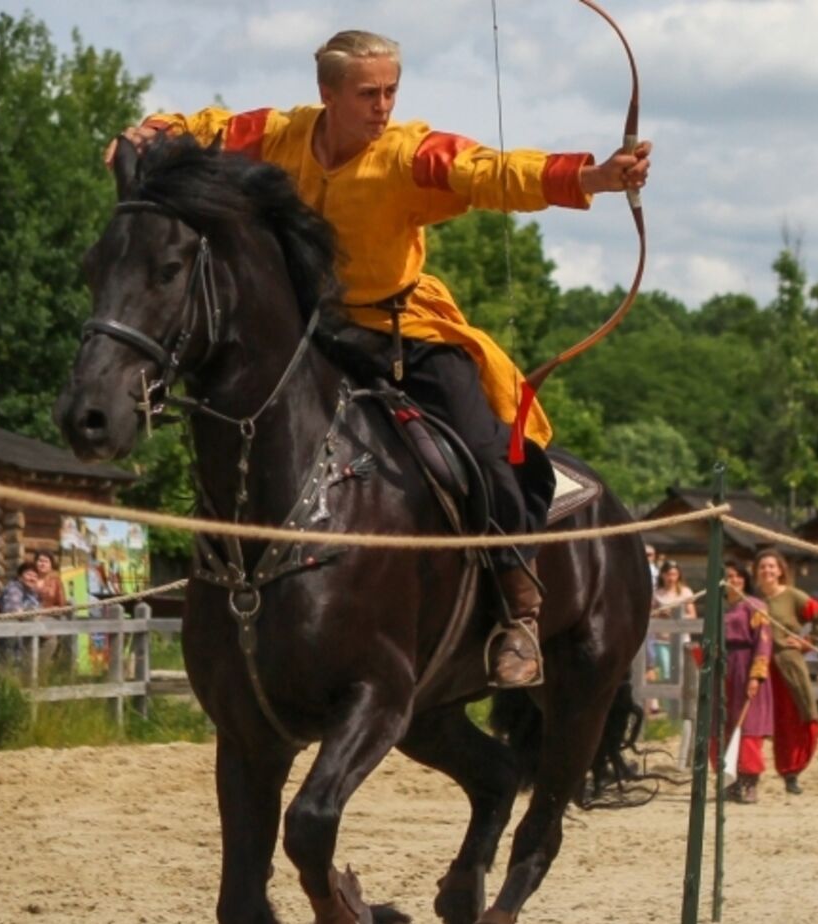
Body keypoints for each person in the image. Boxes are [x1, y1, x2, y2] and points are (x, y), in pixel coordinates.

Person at [111, 30, 652, 689]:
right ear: (327, 94)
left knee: (489, 456)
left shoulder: (406, 154)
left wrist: (591, 175)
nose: (383, 106)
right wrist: (148, 132)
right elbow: (202, 130)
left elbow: (490, 171)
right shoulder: (280, 136)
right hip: (314, 336)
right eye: (368, 93)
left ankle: (520, 609)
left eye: (391, 90)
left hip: (407, 335)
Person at [752, 549, 818, 794]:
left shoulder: (792, 596)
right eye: (763, 566)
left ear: (780, 570)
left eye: (771, 566)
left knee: (793, 719)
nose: (767, 571)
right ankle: (748, 774)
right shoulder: (751, 601)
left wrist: (808, 642)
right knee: (753, 721)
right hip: (759, 667)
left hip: (787, 665)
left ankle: (791, 773)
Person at [717, 561, 774, 805]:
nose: (734, 580)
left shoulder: (755, 606)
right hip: (723, 669)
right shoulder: (719, 609)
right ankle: (730, 782)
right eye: (729, 576)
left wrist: (755, 675)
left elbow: (763, 642)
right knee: (722, 726)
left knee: (748, 727)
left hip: (745, 666)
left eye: (738, 576)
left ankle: (750, 783)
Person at [647, 560, 696, 716]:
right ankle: (670, 708)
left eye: (674, 574)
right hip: (663, 639)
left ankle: (681, 705)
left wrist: (677, 616)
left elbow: (692, 615)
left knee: (682, 671)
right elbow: (650, 614)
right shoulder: (657, 594)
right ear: (663, 575)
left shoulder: (685, 592)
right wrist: (661, 615)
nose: (671, 577)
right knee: (668, 671)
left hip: (681, 637)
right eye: (668, 574)